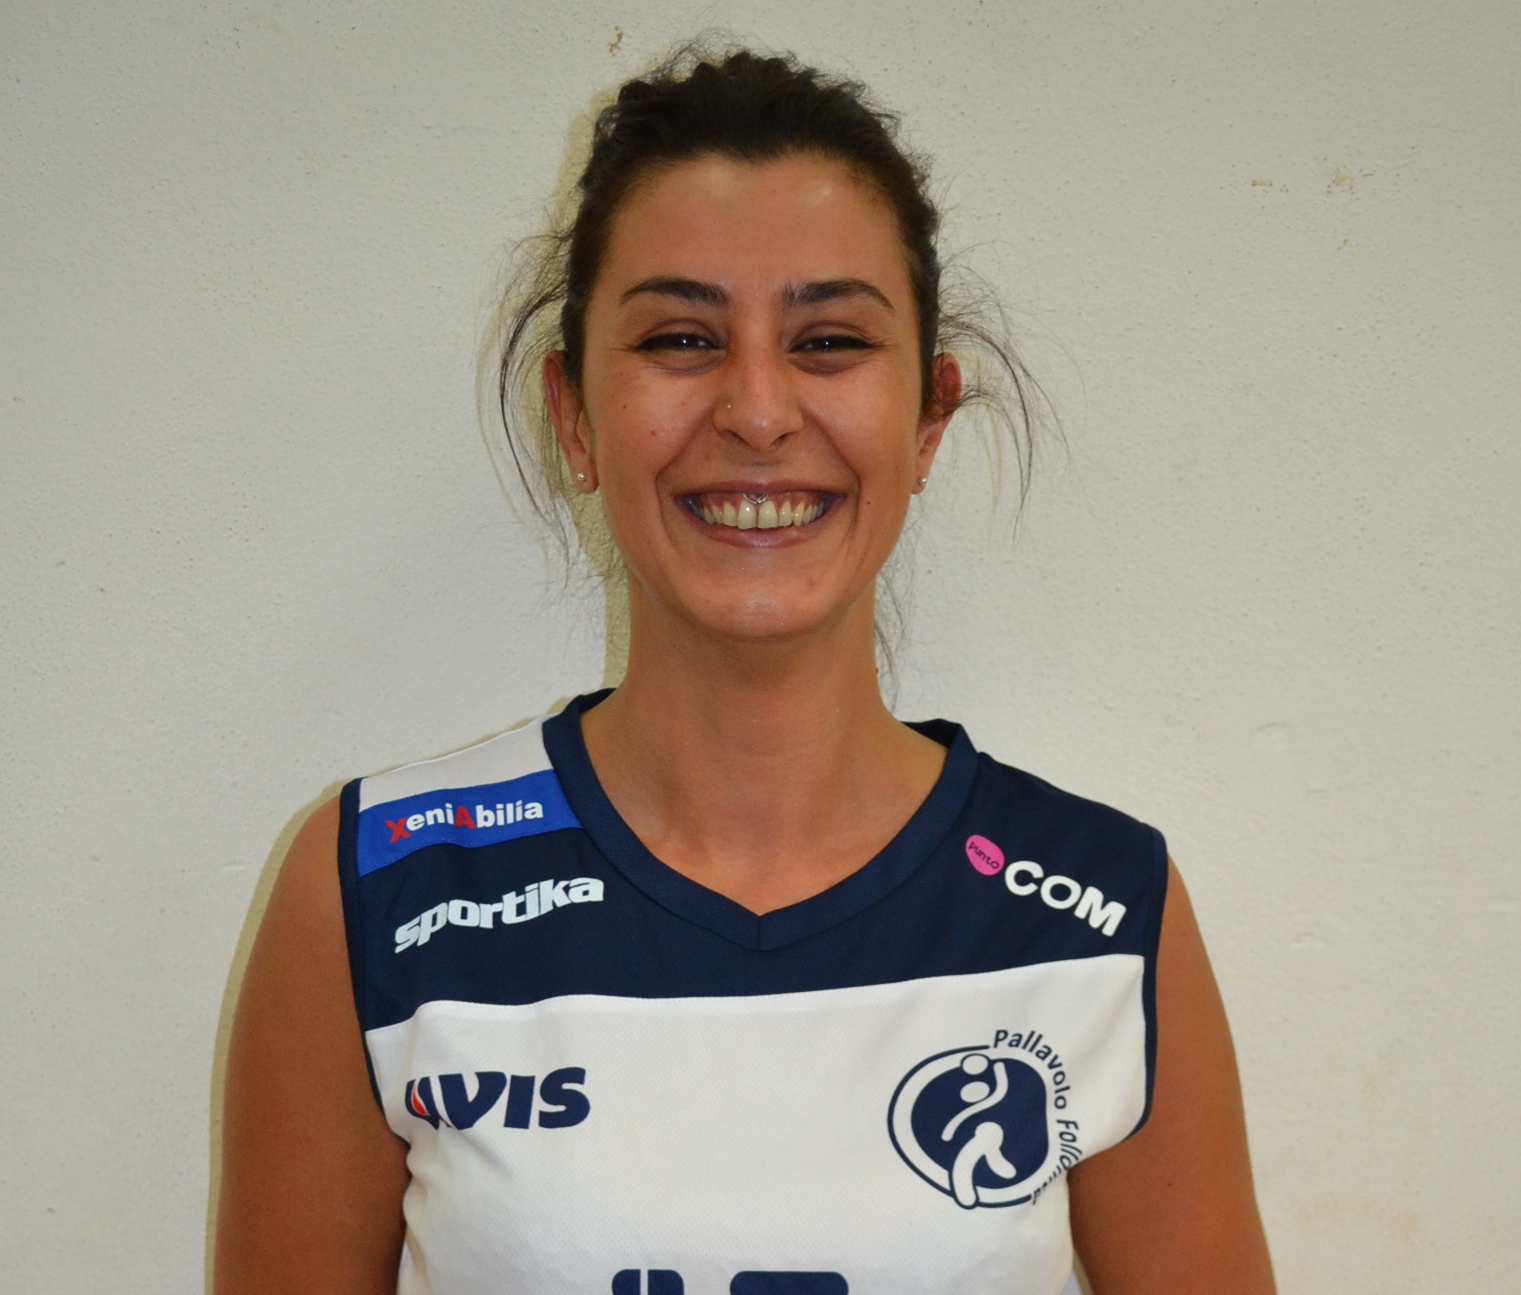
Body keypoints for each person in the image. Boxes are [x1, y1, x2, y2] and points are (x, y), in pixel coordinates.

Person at [216, 48, 1276, 1295]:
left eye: (829, 340)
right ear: (575, 416)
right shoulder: (376, 887)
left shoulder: (1104, 912)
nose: (759, 410)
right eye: (681, 337)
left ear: (928, 419)